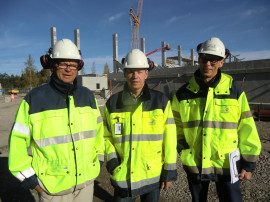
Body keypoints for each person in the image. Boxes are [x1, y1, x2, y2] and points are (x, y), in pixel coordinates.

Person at [8, 39, 104, 202]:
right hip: (52, 191)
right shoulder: (34, 99)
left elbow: (99, 134)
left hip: (86, 187)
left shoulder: (88, 96)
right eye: (62, 63)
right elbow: (17, 145)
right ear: (52, 65)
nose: (68, 68)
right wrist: (32, 181)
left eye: (73, 64)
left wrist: (99, 161)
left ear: (78, 67)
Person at [172, 37, 261, 202]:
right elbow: (174, 125)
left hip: (227, 164)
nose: (208, 64)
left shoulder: (234, 92)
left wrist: (248, 164)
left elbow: (247, 128)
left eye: (213, 60)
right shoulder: (183, 94)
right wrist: (183, 146)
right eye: (204, 59)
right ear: (198, 60)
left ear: (222, 62)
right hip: (195, 162)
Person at [103, 49, 177, 202]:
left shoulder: (161, 101)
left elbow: (170, 139)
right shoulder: (113, 103)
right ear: (124, 73)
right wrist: (113, 163)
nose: (135, 76)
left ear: (146, 74)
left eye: (139, 71)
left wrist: (169, 172)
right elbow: (106, 137)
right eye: (130, 71)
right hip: (123, 174)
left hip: (152, 176)